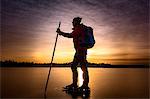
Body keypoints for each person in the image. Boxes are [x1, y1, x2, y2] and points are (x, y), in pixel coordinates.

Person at [56, 17, 89, 89]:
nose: (72, 23)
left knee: (82, 67)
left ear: (76, 22)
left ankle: (84, 85)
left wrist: (60, 33)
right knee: (75, 66)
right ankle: (76, 84)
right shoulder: (79, 29)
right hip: (79, 50)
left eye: (73, 22)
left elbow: (70, 35)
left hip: (81, 51)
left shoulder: (79, 29)